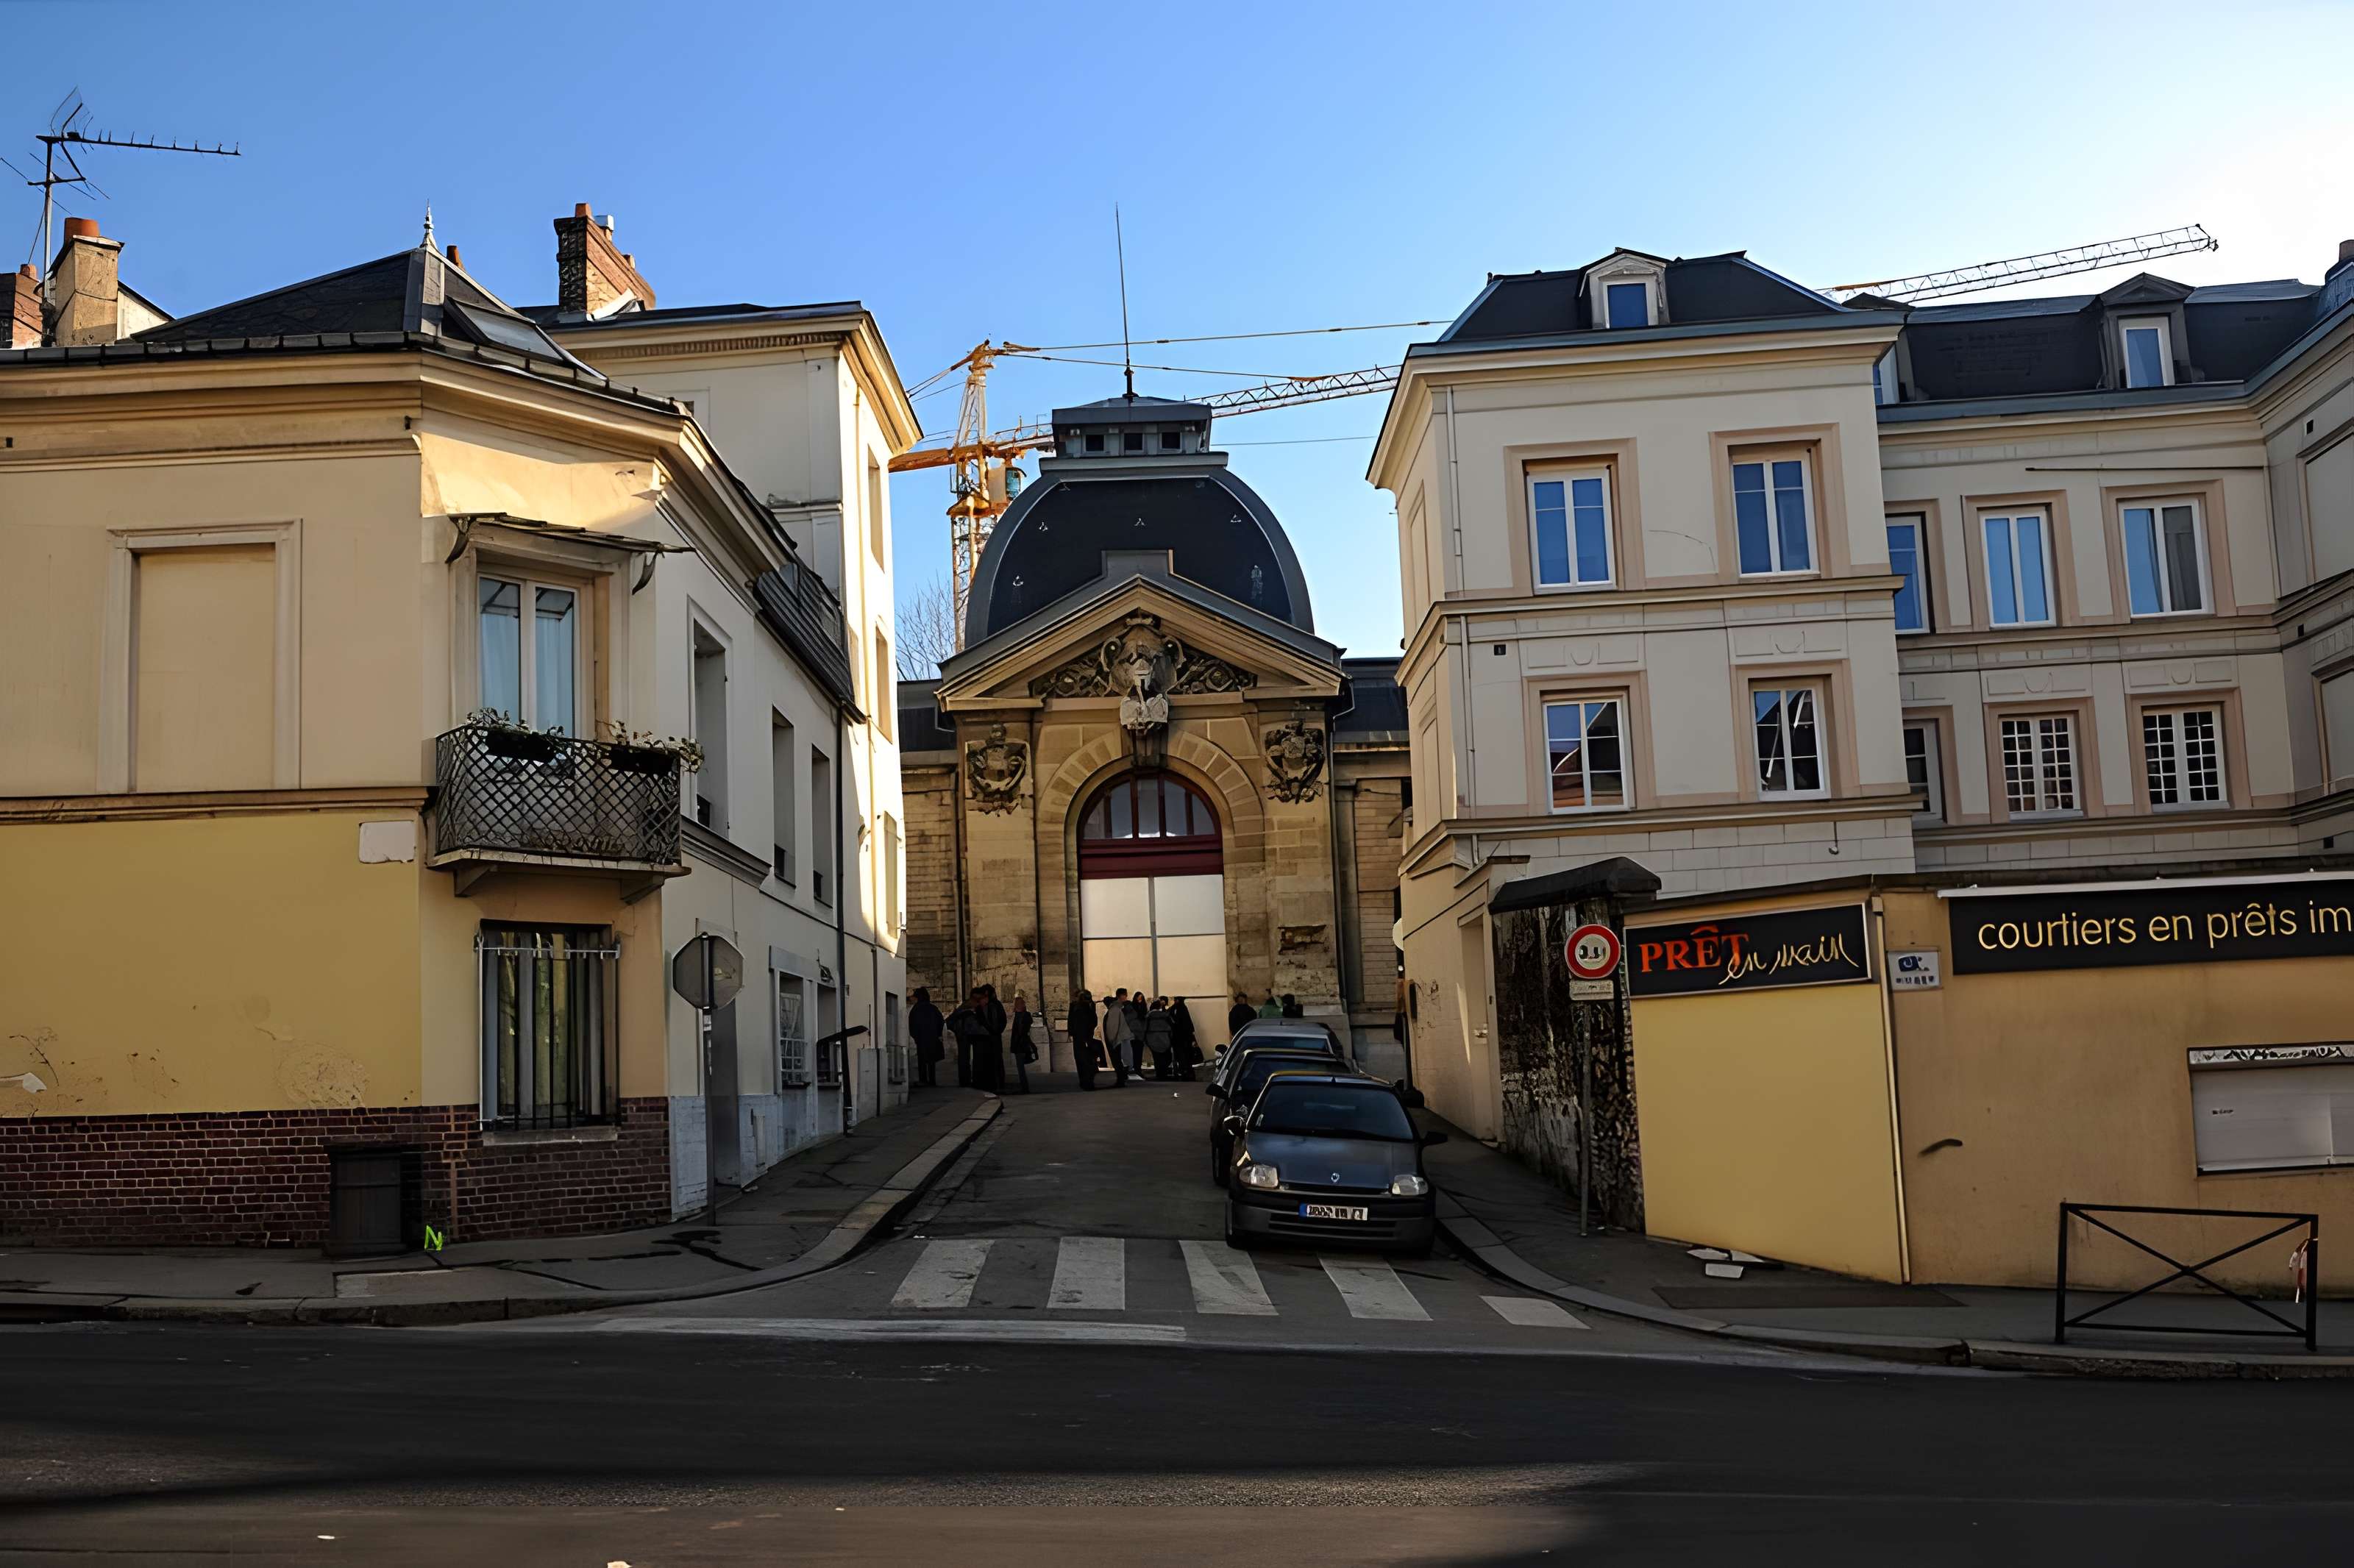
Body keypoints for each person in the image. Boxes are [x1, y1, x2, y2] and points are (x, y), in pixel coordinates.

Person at [908, 987, 945, 1089]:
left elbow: (912, 1025)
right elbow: (941, 1021)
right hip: (933, 1038)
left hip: (921, 1039)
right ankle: (932, 1080)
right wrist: (938, 1034)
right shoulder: (933, 1008)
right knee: (931, 1060)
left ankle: (923, 1080)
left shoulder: (916, 1009)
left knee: (922, 1060)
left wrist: (916, 1036)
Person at [1067, 988, 1101, 1090]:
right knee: (1087, 1061)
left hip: (1080, 1038)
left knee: (1082, 1061)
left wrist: (1072, 1033)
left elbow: (1071, 1022)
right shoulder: (1086, 1008)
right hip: (1086, 1037)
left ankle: (1085, 1082)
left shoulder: (1076, 1007)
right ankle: (1087, 1082)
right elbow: (1093, 1022)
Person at [1102, 988, 1133, 1086]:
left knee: (1117, 1061)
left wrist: (1111, 1040)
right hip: (1119, 1039)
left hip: (1116, 1040)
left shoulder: (1114, 1010)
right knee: (1120, 1061)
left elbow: (1113, 1027)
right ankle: (1121, 1079)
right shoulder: (1117, 1009)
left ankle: (1121, 1080)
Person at [1008, 993, 1036, 1094]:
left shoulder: (1022, 1016)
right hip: (1020, 1043)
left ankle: (1025, 1087)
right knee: (1020, 1067)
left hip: (1020, 1044)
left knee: (1020, 1068)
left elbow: (1021, 1032)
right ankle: (1024, 1087)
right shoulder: (1021, 1015)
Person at [1143, 997, 1176, 1080]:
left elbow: (1145, 1029)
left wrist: (1146, 1040)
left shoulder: (1148, 1016)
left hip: (1152, 1040)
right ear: (1160, 1007)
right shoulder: (1166, 1015)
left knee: (1157, 1058)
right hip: (1165, 1039)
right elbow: (1172, 1027)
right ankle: (1164, 1073)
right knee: (1166, 1057)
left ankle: (1159, 1074)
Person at [1169, 997, 1200, 1080]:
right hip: (1184, 1037)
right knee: (1185, 1055)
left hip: (1178, 1037)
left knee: (1181, 1055)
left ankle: (1182, 1071)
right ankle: (1185, 1071)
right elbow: (1188, 1023)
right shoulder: (1182, 1008)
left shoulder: (1176, 1009)